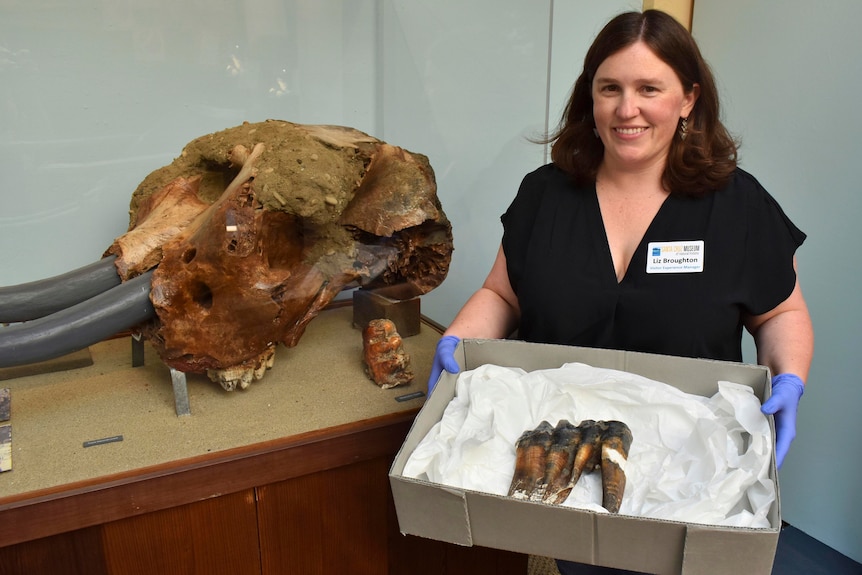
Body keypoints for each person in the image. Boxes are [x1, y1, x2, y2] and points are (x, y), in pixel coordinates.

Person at [427, 9, 813, 575]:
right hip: (574, 456)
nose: (626, 109)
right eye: (610, 88)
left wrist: (790, 378)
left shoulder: (737, 205)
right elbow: (502, 295)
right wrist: (458, 341)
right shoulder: (545, 196)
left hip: (688, 466)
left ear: (688, 99)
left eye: (648, 88)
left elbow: (781, 310)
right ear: (591, 97)